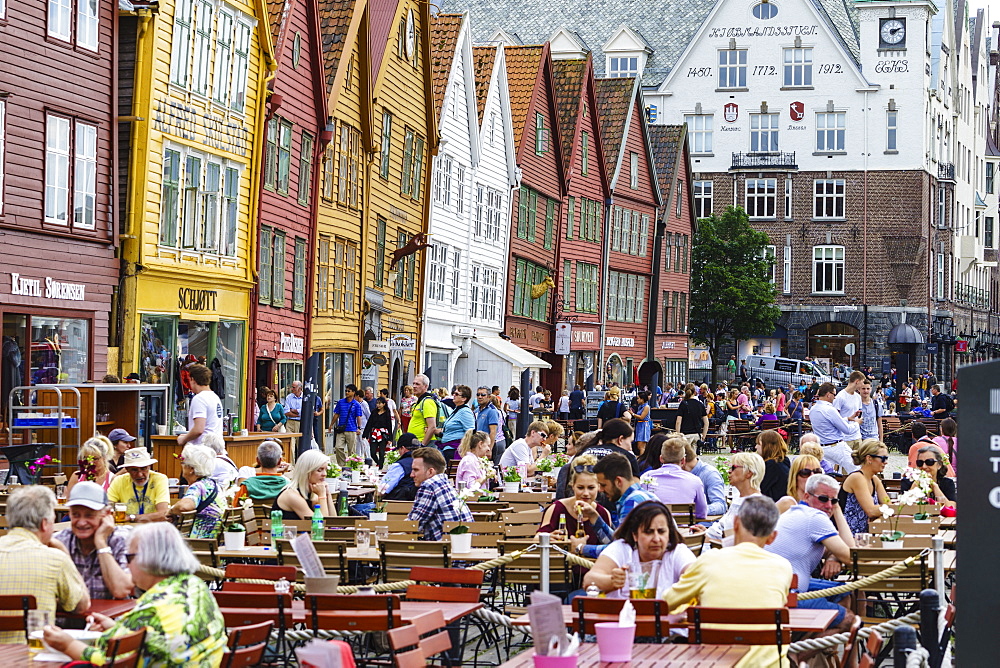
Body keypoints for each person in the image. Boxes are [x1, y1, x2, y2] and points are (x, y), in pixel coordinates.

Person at [43, 523, 226, 666]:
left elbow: (108, 660)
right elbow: (156, 637)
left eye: (129, 558)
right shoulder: (196, 587)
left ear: (148, 558)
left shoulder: (151, 610)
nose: (127, 565)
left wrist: (67, 644)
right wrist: (116, 627)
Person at [660, 496, 793, 668]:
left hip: (714, 663)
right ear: (772, 537)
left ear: (736, 523)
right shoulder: (783, 567)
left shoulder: (709, 561)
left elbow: (664, 603)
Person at [766, 474, 855, 633]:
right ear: (807, 496)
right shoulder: (815, 518)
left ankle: (820, 649)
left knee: (843, 592)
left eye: (834, 501)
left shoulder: (797, 512)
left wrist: (834, 556)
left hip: (774, 589)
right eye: (823, 499)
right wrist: (838, 512)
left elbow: (834, 550)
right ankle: (798, 654)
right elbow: (851, 557)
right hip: (784, 597)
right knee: (850, 620)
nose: (829, 505)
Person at [0, 486, 89, 642]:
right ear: (44, 524)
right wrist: (64, 553)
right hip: (33, 655)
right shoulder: (55, 559)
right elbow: (81, 605)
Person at [583, 501, 695, 606]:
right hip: (625, 624)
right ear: (635, 535)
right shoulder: (622, 549)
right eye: (648, 532)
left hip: (669, 625)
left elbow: (698, 578)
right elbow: (589, 580)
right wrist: (611, 581)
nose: (656, 539)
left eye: (661, 532)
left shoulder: (677, 552)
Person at [53, 481, 134, 600]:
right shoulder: (60, 540)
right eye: (76, 515)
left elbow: (120, 590)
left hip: (109, 617)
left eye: (89, 515)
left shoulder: (121, 539)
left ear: (106, 514)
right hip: (69, 617)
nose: (81, 522)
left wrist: (101, 543)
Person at [571, 453, 657, 559]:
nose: (600, 490)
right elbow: (619, 541)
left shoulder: (632, 502)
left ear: (618, 481)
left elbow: (622, 550)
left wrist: (581, 548)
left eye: (603, 485)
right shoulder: (642, 495)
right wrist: (593, 516)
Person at [538, 453, 612, 546]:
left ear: (598, 487)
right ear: (573, 486)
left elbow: (611, 547)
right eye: (580, 488)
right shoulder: (556, 508)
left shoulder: (603, 513)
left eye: (591, 488)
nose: (585, 493)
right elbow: (537, 538)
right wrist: (548, 537)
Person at [698, 451, 766, 543]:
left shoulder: (755, 505)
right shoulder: (739, 498)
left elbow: (743, 543)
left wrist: (709, 539)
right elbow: (723, 525)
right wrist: (706, 532)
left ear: (749, 473)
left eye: (733, 467)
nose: (729, 471)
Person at [407, 447, 473, 541]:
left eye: (416, 470)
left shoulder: (430, 485)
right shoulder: (444, 483)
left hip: (447, 550)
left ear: (430, 472)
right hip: (465, 547)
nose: (411, 475)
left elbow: (412, 526)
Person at [168, 444, 224, 539]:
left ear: (191, 469)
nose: (181, 466)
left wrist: (171, 511)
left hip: (200, 543)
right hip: (215, 540)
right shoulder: (213, 485)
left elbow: (183, 507)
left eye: (183, 463)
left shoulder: (198, 487)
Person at [644, 437, 708, 519]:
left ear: (661, 458)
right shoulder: (694, 480)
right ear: (683, 461)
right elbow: (702, 513)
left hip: (655, 528)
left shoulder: (647, 478)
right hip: (683, 530)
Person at [838, 439, 890, 534]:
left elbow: (888, 504)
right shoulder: (857, 478)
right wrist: (890, 508)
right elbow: (871, 511)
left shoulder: (874, 479)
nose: (886, 462)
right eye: (883, 458)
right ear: (869, 458)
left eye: (887, 458)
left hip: (866, 535)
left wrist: (888, 508)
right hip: (849, 537)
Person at [808, 383, 862, 474]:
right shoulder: (830, 409)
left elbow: (828, 423)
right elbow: (847, 430)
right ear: (828, 394)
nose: (835, 397)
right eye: (834, 394)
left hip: (823, 448)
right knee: (856, 469)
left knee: (829, 474)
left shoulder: (813, 409)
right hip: (836, 446)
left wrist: (847, 419)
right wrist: (857, 423)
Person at [107, 447, 170, 523]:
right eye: (134, 470)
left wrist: (131, 518)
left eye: (143, 468)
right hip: (126, 531)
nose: (139, 474)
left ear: (149, 467)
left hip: (154, 529)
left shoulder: (159, 479)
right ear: (127, 470)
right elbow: (106, 509)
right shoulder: (119, 480)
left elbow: (163, 514)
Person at [272, 449, 335, 520]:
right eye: (319, 470)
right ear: (307, 472)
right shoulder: (291, 495)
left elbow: (333, 522)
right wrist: (322, 496)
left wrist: (327, 494)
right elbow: (321, 524)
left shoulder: (312, 493)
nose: (324, 474)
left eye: (326, 470)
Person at [176, 364, 223, 447]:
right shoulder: (215, 398)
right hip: (216, 447)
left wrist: (183, 439)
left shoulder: (199, 399)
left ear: (193, 380)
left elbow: (199, 429)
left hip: (202, 450)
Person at [233, 440, 288, 505]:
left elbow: (236, 510)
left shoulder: (246, 486)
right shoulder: (288, 487)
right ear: (279, 461)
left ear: (258, 460)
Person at [680, 442, 727, 516]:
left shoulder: (710, 474)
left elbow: (720, 506)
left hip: (703, 524)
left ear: (682, 461)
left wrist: (696, 510)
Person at [330, 384, 364, 466]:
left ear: (353, 392)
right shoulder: (340, 402)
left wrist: (359, 428)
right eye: (346, 391)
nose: (347, 392)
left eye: (349, 391)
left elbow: (358, 417)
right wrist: (331, 425)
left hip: (352, 429)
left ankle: (352, 466)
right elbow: (336, 414)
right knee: (338, 447)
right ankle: (342, 465)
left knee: (351, 450)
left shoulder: (356, 404)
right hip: (341, 429)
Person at [438, 385, 475, 459]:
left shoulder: (465, 412)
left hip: (456, 450)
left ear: (464, 398)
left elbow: (470, 432)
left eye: (457, 394)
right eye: (454, 393)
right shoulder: (457, 410)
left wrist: (464, 449)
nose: (453, 395)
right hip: (448, 448)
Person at [756, 429, 791, 503]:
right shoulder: (784, 460)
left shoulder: (771, 465)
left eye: (758, 444)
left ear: (767, 446)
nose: (756, 447)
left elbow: (760, 490)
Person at [409, 375, 441, 447]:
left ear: (425, 386)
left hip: (426, 444)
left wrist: (422, 445)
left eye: (417, 384)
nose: (414, 386)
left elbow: (432, 426)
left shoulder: (427, 402)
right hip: (417, 442)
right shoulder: (420, 401)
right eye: (413, 383)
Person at [474, 386, 505, 462]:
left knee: (493, 468)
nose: (480, 397)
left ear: (489, 396)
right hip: (482, 443)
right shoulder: (477, 410)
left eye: (483, 395)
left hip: (494, 444)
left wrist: (489, 449)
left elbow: (493, 431)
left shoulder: (492, 411)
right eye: (478, 395)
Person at [674, 384, 708, 451]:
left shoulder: (683, 404)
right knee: (694, 457)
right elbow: (706, 422)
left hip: (685, 434)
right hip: (697, 434)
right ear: (694, 392)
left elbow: (678, 422)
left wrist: (678, 435)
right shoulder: (700, 404)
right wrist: (703, 436)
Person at [632, 391, 651, 456]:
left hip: (644, 426)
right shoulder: (640, 406)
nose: (637, 400)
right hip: (639, 425)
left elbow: (642, 417)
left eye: (638, 398)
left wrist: (633, 414)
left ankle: (642, 460)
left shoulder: (646, 407)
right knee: (639, 445)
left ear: (642, 399)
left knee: (641, 446)